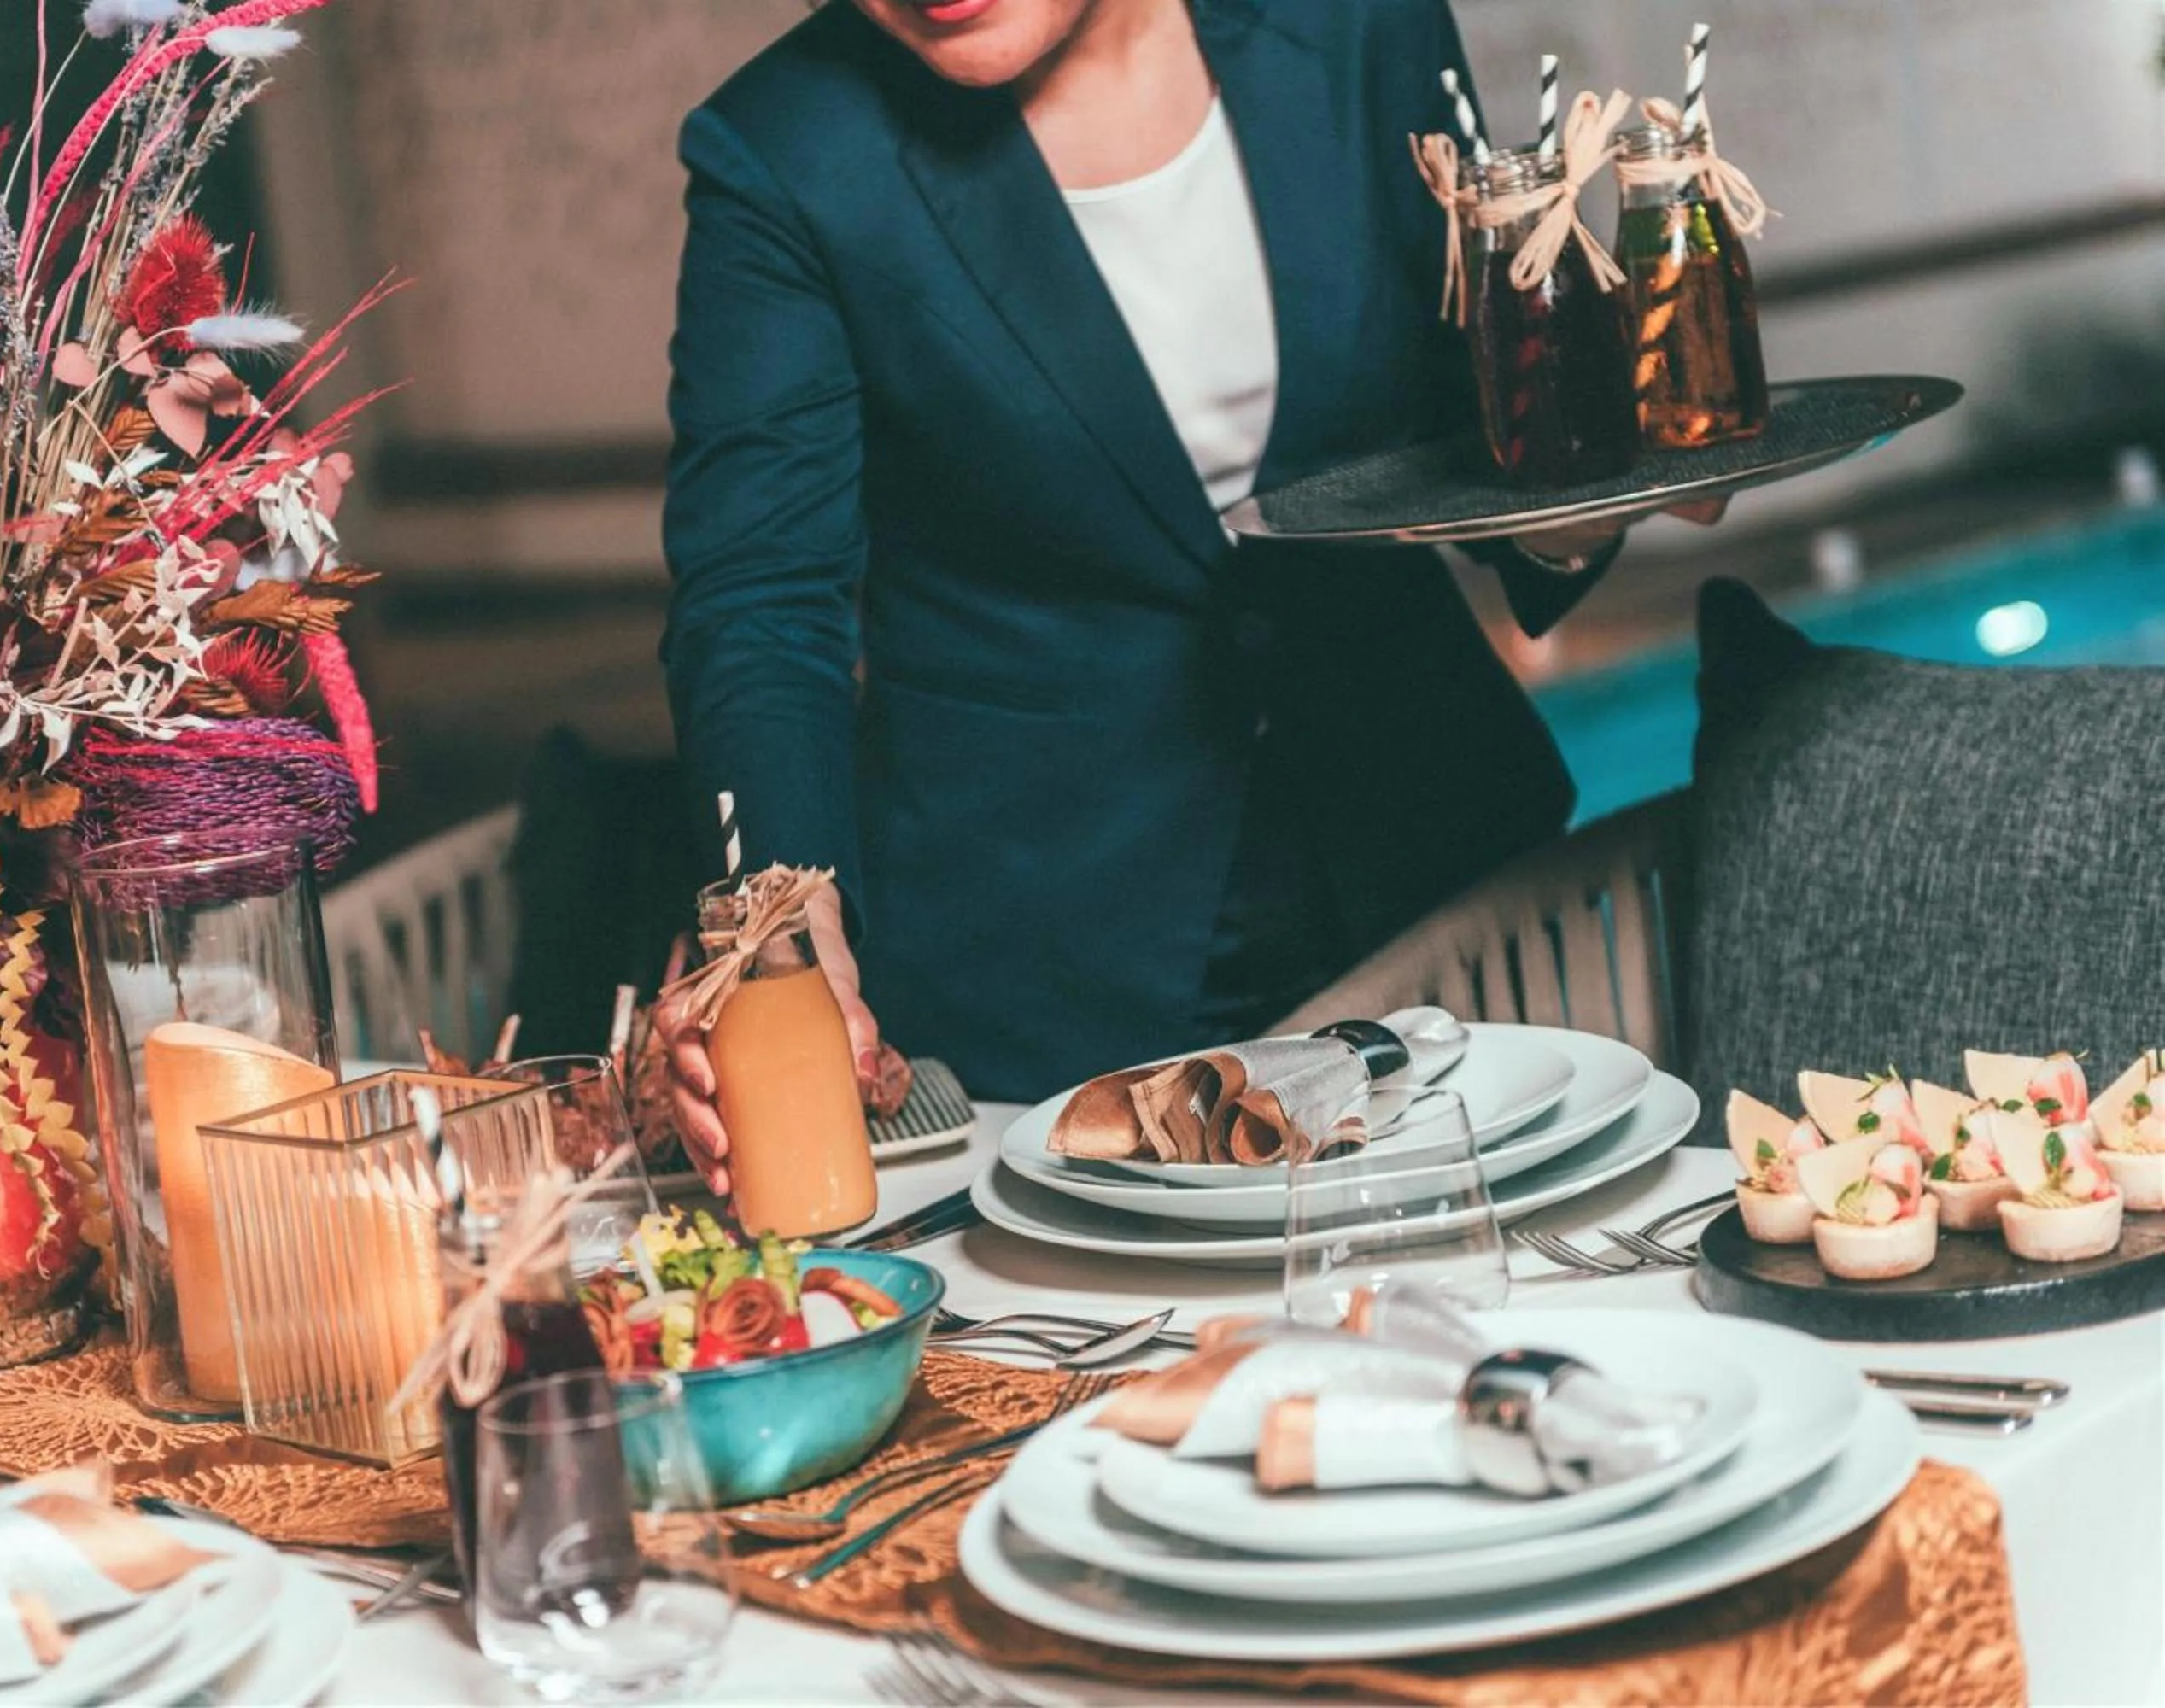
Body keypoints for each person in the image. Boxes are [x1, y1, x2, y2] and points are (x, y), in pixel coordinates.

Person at [658, 0, 1700, 1186]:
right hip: (1045, 958)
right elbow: (758, 602)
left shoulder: (1360, 24)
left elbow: (1479, 403)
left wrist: (1583, 506)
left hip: (1434, 875)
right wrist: (781, 920)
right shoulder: (785, 149)